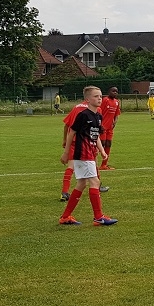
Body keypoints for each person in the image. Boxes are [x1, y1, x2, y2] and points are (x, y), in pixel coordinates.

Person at [59, 86, 118, 226]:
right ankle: (98, 217)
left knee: (81, 184)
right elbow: (72, 132)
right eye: (96, 96)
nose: (99, 99)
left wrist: (102, 150)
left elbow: (95, 136)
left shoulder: (98, 116)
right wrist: (66, 152)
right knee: (95, 182)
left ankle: (65, 217)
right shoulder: (83, 115)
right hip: (83, 153)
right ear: (87, 99)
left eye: (100, 96)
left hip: (90, 152)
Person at [61, 97, 109, 201]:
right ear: (89, 98)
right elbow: (95, 131)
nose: (99, 99)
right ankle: (97, 186)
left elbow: (67, 125)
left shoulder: (76, 107)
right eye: (96, 96)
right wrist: (100, 148)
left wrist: (65, 140)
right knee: (93, 164)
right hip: (86, 142)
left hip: (74, 141)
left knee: (72, 168)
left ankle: (64, 192)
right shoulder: (96, 109)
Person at [98, 87, 121, 170]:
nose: (115, 92)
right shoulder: (105, 100)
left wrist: (115, 122)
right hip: (102, 127)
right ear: (109, 92)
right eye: (113, 91)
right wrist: (99, 124)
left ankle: (104, 165)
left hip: (110, 128)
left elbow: (117, 114)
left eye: (116, 91)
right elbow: (98, 111)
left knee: (108, 144)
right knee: (101, 144)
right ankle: (90, 161)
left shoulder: (117, 102)